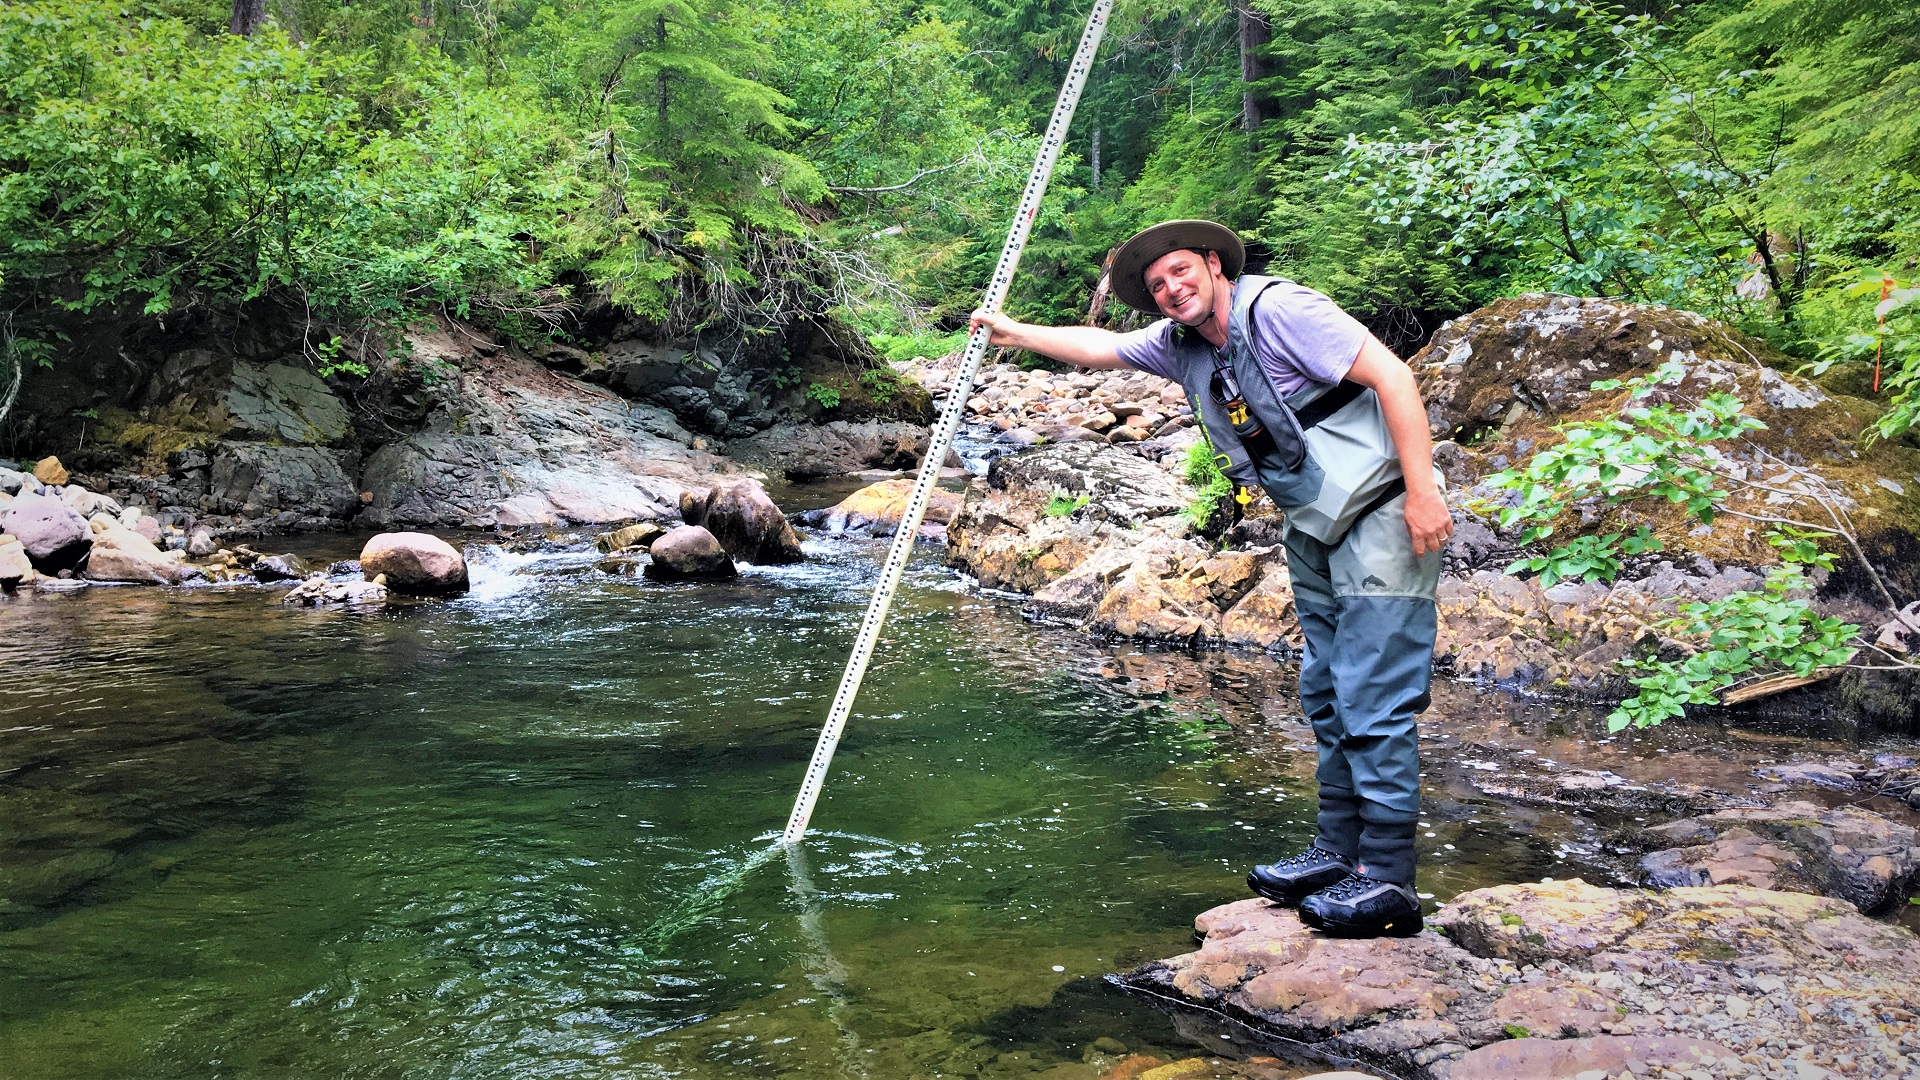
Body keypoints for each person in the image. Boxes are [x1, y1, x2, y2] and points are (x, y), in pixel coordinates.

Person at [970, 220, 1452, 938]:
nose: (1171, 289)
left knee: (1373, 693)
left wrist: (1423, 493)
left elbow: (1394, 376)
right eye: (1158, 285)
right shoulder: (1179, 344)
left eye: (1181, 272)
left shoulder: (1283, 311)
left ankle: (1388, 880)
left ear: (1216, 266)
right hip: (1314, 525)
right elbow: (1100, 348)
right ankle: (1337, 853)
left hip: (1383, 514)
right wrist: (1017, 331)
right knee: (1324, 688)